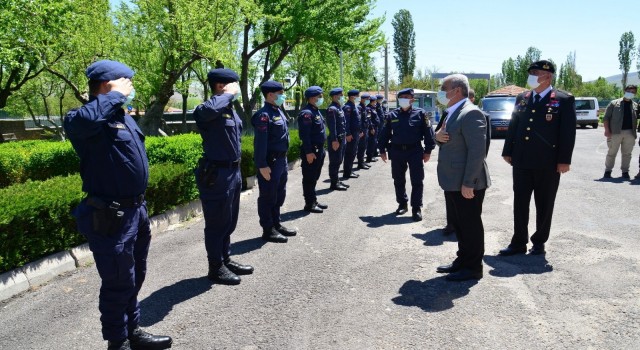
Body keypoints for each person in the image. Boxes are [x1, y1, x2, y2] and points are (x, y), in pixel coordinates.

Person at [64, 60, 172, 350]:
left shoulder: (123, 116)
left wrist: (116, 101)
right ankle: (117, 341)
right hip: (111, 215)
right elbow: (83, 121)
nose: (131, 87)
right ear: (105, 85)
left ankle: (132, 329)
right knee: (117, 281)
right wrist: (114, 96)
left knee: (134, 274)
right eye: (126, 81)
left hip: (136, 211)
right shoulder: (83, 119)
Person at [500, 60, 576, 256]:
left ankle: (539, 241)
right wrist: (508, 150)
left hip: (547, 162)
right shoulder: (523, 98)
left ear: (548, 76)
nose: (531, 76)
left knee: (544, 203)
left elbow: (567, 133)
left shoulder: (562, 99)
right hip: (522, 160)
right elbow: (514, 125)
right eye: (531, 72)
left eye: (536, 72)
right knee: (520, 202)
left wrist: (564, 160)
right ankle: (518, 242)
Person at [193, 68, 254, 285]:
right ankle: (215, 266)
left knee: (229, 220)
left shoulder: (229, 109)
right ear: (222, 86)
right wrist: (227, 94)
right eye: (234, 86)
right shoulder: (207, 109)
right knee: (217, 222)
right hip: (217, 174)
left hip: (233, 171)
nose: (237, 90)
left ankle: (225, 258)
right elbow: (206, 112)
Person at [434, 74, 491, 281]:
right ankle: (463, 259)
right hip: (452, 180)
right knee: (459, 223)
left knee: (470, 225)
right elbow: (441, 135)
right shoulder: (452, 111)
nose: (441, 91)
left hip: (466, 182)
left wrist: (469, 183)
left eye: (444, 88)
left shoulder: (471, 113)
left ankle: (473, 267)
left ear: (456, 90)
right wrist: (436, 137)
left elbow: (477, 152)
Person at [379, 88, 436, 221]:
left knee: (417, 180)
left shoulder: (421, 114)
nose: (404, 99)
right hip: (397, 151)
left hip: (415, 151)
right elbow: (384, 134)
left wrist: (428, 150)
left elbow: (429, 133)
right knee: (398, 179)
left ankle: (416, 208)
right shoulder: (391, 115)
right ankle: (402, 204)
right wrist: (382, 150)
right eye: (402, 97)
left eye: (407, 96)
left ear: (412, 99)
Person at [252, 80, 298, 243]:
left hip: (281, 160)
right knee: (268, 196)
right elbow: (260, 143)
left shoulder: (278, 111)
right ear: (270, 95)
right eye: (280, 94)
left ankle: (276, 223)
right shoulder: (264, 115)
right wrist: (262, 164)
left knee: (279, 193)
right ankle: (268, 229)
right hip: (270, 162)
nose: (282, 96)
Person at [298, 86, 328, 213]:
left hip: (319, 149)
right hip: (312, 151)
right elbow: (305, 135)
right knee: (309, 178)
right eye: (319, 96)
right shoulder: (307, 113)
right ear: (311, 98)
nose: (321, 98)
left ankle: (313, 200)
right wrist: (309, 152)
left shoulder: (316, 111)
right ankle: (309, 204)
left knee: (314, 177)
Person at [602, 85, 638, 179]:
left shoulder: (635, 105)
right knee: (612, 152)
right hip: (615, 132)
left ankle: (625, 172)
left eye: (633, 92)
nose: (631, 93)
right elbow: (606, 118)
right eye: (629, 91)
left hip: (630, 132)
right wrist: (607, 130)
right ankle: (608, 171)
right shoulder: (614, 103)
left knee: (627, 154)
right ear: (625, 91)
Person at [326, 87, 349, 191]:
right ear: (335, 96)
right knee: (335, 161)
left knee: (339, 160)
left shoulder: (339, 108)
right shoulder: (332, 109)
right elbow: (332, 126)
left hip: (342, 138)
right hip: (336, 139)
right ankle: (334, 183)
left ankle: (337, 180)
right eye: (341, 96)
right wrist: (334, 140)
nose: (342, 97)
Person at [342, 89, 362, 180]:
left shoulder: (354, 106)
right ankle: (347, 172)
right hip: (351, 134)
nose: (359, 98)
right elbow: (346, 122)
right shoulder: (347, 107)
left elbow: (357, 121)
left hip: (356, 133)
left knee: (353, 152)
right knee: (349, 153)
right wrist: (348, 134)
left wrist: (360, 131)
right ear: (352, 97)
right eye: (357, 96)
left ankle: (349, 170)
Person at [356, 93, 371, 170]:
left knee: (364, 146)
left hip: (366, 129)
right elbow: (359, 121)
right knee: (361, 147)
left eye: (368, 99)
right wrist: (360, 131)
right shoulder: (359, 108)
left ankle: (362, 161)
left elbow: (367, 119)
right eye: (366, 99)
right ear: (362, 99)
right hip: (362, 130)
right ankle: (360, 163)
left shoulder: (365, 107)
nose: (368, 101)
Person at [366, 95, 380, 163]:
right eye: (375, 101)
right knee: (371, 143)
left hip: (375, 127)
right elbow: (368, 119)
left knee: (373, 142)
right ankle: (369, 158)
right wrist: (371, 128)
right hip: (372, 128)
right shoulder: (368, 109)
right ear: (373, 101)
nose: (376, 103)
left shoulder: (373, 108)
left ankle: (371, 157)